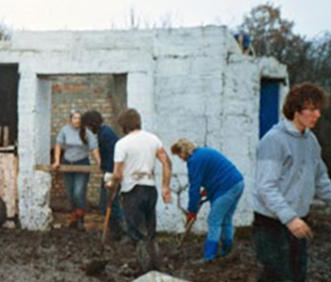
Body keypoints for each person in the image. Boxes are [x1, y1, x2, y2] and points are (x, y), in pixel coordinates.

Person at [253, 83, 331, 281]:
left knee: (298, 275)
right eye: (312, 109)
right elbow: (266, 187)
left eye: (319, 110)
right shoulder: (273, 141)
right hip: (271, 224)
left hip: (298, 221)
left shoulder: (310, 141)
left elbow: (320, 177)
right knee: (278, 277)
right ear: (296, 109)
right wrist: (290, 218)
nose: (318, 115)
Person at [110, 108, 172, 273]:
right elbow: (167, 162)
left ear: (123, 125)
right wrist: (165, 186)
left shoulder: (122, 144)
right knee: (150, 231)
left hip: (131, 190)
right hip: (150, 188)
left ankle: (144, 269)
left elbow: (117, 174)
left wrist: (111, 184)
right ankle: (156, 266)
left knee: (137, 233)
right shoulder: (153, 139)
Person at [170, 138, 244, 262]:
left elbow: (194, 187)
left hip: (227, 187)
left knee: (213, 220)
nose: (180, 158)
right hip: (237, 183)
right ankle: (227, 251)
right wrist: (207, 191)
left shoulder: (194, 161)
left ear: (184, 151)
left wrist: (192, 211)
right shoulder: (202, 153)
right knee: (226, 219)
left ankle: (209, 257)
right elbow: (215, 173)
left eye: (179, 155)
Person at [52, 111, 101, 231]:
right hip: (67, 164)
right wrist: (57, 161)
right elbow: (58, 145)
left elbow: (94, 148)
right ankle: (74, 217)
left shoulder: (87, 132)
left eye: (79, 118)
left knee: (78, 192)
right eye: (74, 118)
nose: (77, 120)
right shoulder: (65, 130)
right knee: (70, 194)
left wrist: (100, 162)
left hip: (82, 164)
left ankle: (80, 219)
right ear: (70, 119)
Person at [81, 110, 125, 240]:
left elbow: (113, 155)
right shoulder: (103, 132)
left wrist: (110, 174)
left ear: (91, 124)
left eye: (87, 126)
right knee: (106, 204)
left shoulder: (105, 134)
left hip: (112, 172)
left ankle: (122, 232)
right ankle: (115, 231)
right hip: (109, 170)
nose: (87, 129)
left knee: (112, 203)